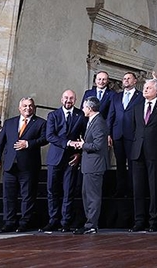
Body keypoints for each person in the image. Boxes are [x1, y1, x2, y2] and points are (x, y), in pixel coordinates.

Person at [0, 97, 47, 233]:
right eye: (25, 106)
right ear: (19, 108)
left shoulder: (40, 123)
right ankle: (9, 222)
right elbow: (1, 142)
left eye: (30, 106)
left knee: (27, 196)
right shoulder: (9, 122)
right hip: (10, 165)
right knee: (8, 196)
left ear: (34, 108)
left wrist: (28, 144)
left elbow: (45, 139)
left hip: (28, 166)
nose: (27, 108)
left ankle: (24, 222)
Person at [130, 79, 157, 232]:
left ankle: (154, 221)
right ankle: (139, 220)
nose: (145, 90)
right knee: (138, 188)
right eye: (145, 87)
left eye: (148, 88)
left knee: (154, 188)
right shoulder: (137, 107)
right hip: (138, 152)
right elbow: (134, 129)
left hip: (155, 152)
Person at [43, 90, 86, 232]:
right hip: (54, 158)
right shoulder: (53, 115)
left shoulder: (81, 115)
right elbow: (50, 136)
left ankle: (65, 221)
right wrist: (68, 143)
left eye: (71, 98)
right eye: (66, 98)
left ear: (75, 100)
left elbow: (84, 136)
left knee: (68, 190)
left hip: (71, 159)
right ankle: (53, 220)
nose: (68, 100)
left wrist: (79, 154)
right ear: (61, 99)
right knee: (52, 190)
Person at [71, 96, 109, 235]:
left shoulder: (98, 122)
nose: (82, 109)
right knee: (86, 195)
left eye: (84, 107)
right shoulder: (93, 121)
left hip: (95, 165)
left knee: (92, 196)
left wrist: (83, 145)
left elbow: (98, 145)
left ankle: (91, 225)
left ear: (90, 108)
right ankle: (89, 223)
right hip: (89, 165)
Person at [107, 71, 142, 198]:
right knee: (120, 164)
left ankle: (133, 190)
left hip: (133, 135)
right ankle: (120, 190)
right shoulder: (116, 96)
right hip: (117, 134)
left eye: (128, 78)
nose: (126, 80)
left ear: (135, 81)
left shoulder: (140, 96)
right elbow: (111, 115)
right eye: (124, 78)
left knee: (133, 164)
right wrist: (108, 134)